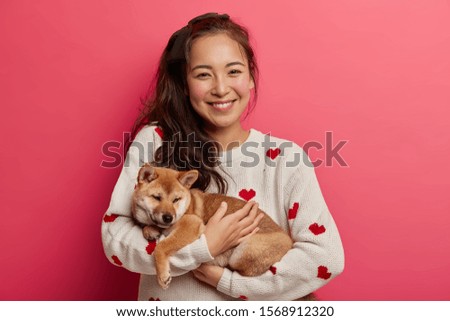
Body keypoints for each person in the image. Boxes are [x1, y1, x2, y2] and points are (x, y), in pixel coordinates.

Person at [101, 12, 344, 301]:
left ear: (251, 77)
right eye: (203, 74)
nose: (220, 88)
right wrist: (202, 248)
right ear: (184, 83)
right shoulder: (156, 143)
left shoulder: (285, 159)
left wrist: (229, 282)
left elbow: (325, 257)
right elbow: (115, 240)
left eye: (233, 71)